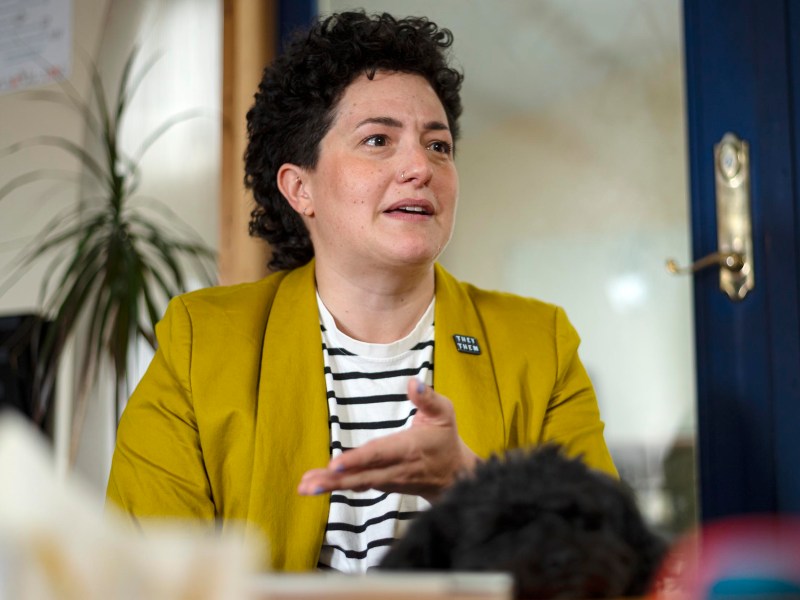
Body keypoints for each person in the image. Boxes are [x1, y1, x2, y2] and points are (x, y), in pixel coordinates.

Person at [106, 11, 617, 573]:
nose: (420, 167)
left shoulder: (537, 344)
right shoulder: (201, 343)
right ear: (300, 188)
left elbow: (605, 567)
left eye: (439, 146)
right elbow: (145, 576)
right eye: (378, 139)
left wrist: (465, 484)